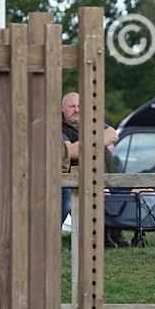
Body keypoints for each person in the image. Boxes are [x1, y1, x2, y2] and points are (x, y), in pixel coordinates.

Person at [60, 92, 124, 245]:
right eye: (71, 106)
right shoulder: (58, 127)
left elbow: (113, 135)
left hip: (111, 177)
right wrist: (98, 143)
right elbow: (69, 152)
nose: (76, 109)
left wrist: (84, 145)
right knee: (76, 196)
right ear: (62, 109)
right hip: (80, 179)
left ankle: (114, 233)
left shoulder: (91, 121)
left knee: (142, 191)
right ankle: (100, 235)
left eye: (79, 106)